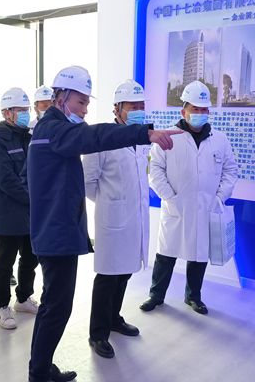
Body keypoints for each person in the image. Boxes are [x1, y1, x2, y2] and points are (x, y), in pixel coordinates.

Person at [27, 65, 181, 382]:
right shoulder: (53, 130)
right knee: (56, 307)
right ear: (60, 98)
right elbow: (94, 138)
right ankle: (39, 373)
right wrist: (145, 132)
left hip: (61, 229)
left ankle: (41, 368)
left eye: (87, 103)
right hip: (56, 232)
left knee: (56, 305)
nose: (85, 110)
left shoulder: (53, 130)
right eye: (80, 102)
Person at [140, 80, 238, 315]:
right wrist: (169, 196)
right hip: (176, 206)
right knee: (166, 253)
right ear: (183, 111)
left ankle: (193, 296)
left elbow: (230, 170)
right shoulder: (167, 137)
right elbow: (155, 170)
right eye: (195, 109)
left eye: (204, 109)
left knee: (199, 254)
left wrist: (219, 197)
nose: (200, 113)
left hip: (206, 206)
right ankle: (156, 295)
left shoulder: (219, 139)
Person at [82, 79, 150, 359]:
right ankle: (98, 333)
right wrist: (111, 203)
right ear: (117, 108)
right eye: (132, 106)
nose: (138, 110)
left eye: (141, 105)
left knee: (125, 271)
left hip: (134, 218)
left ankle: (114, 318)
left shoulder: (141, 138)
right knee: (108, 276)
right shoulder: (101, 139)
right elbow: (87, 182)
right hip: (112, 218)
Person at [0, 87, 39, 330]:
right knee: (5, 261)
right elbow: (5, 179)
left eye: (27, 110)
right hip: (8, 212)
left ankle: (23, 298)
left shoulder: (27, 137)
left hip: (29, 212)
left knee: (30, 257)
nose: (26, 114)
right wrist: (33, 198)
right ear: (7, 113)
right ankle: (2, 306)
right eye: (21, 110)